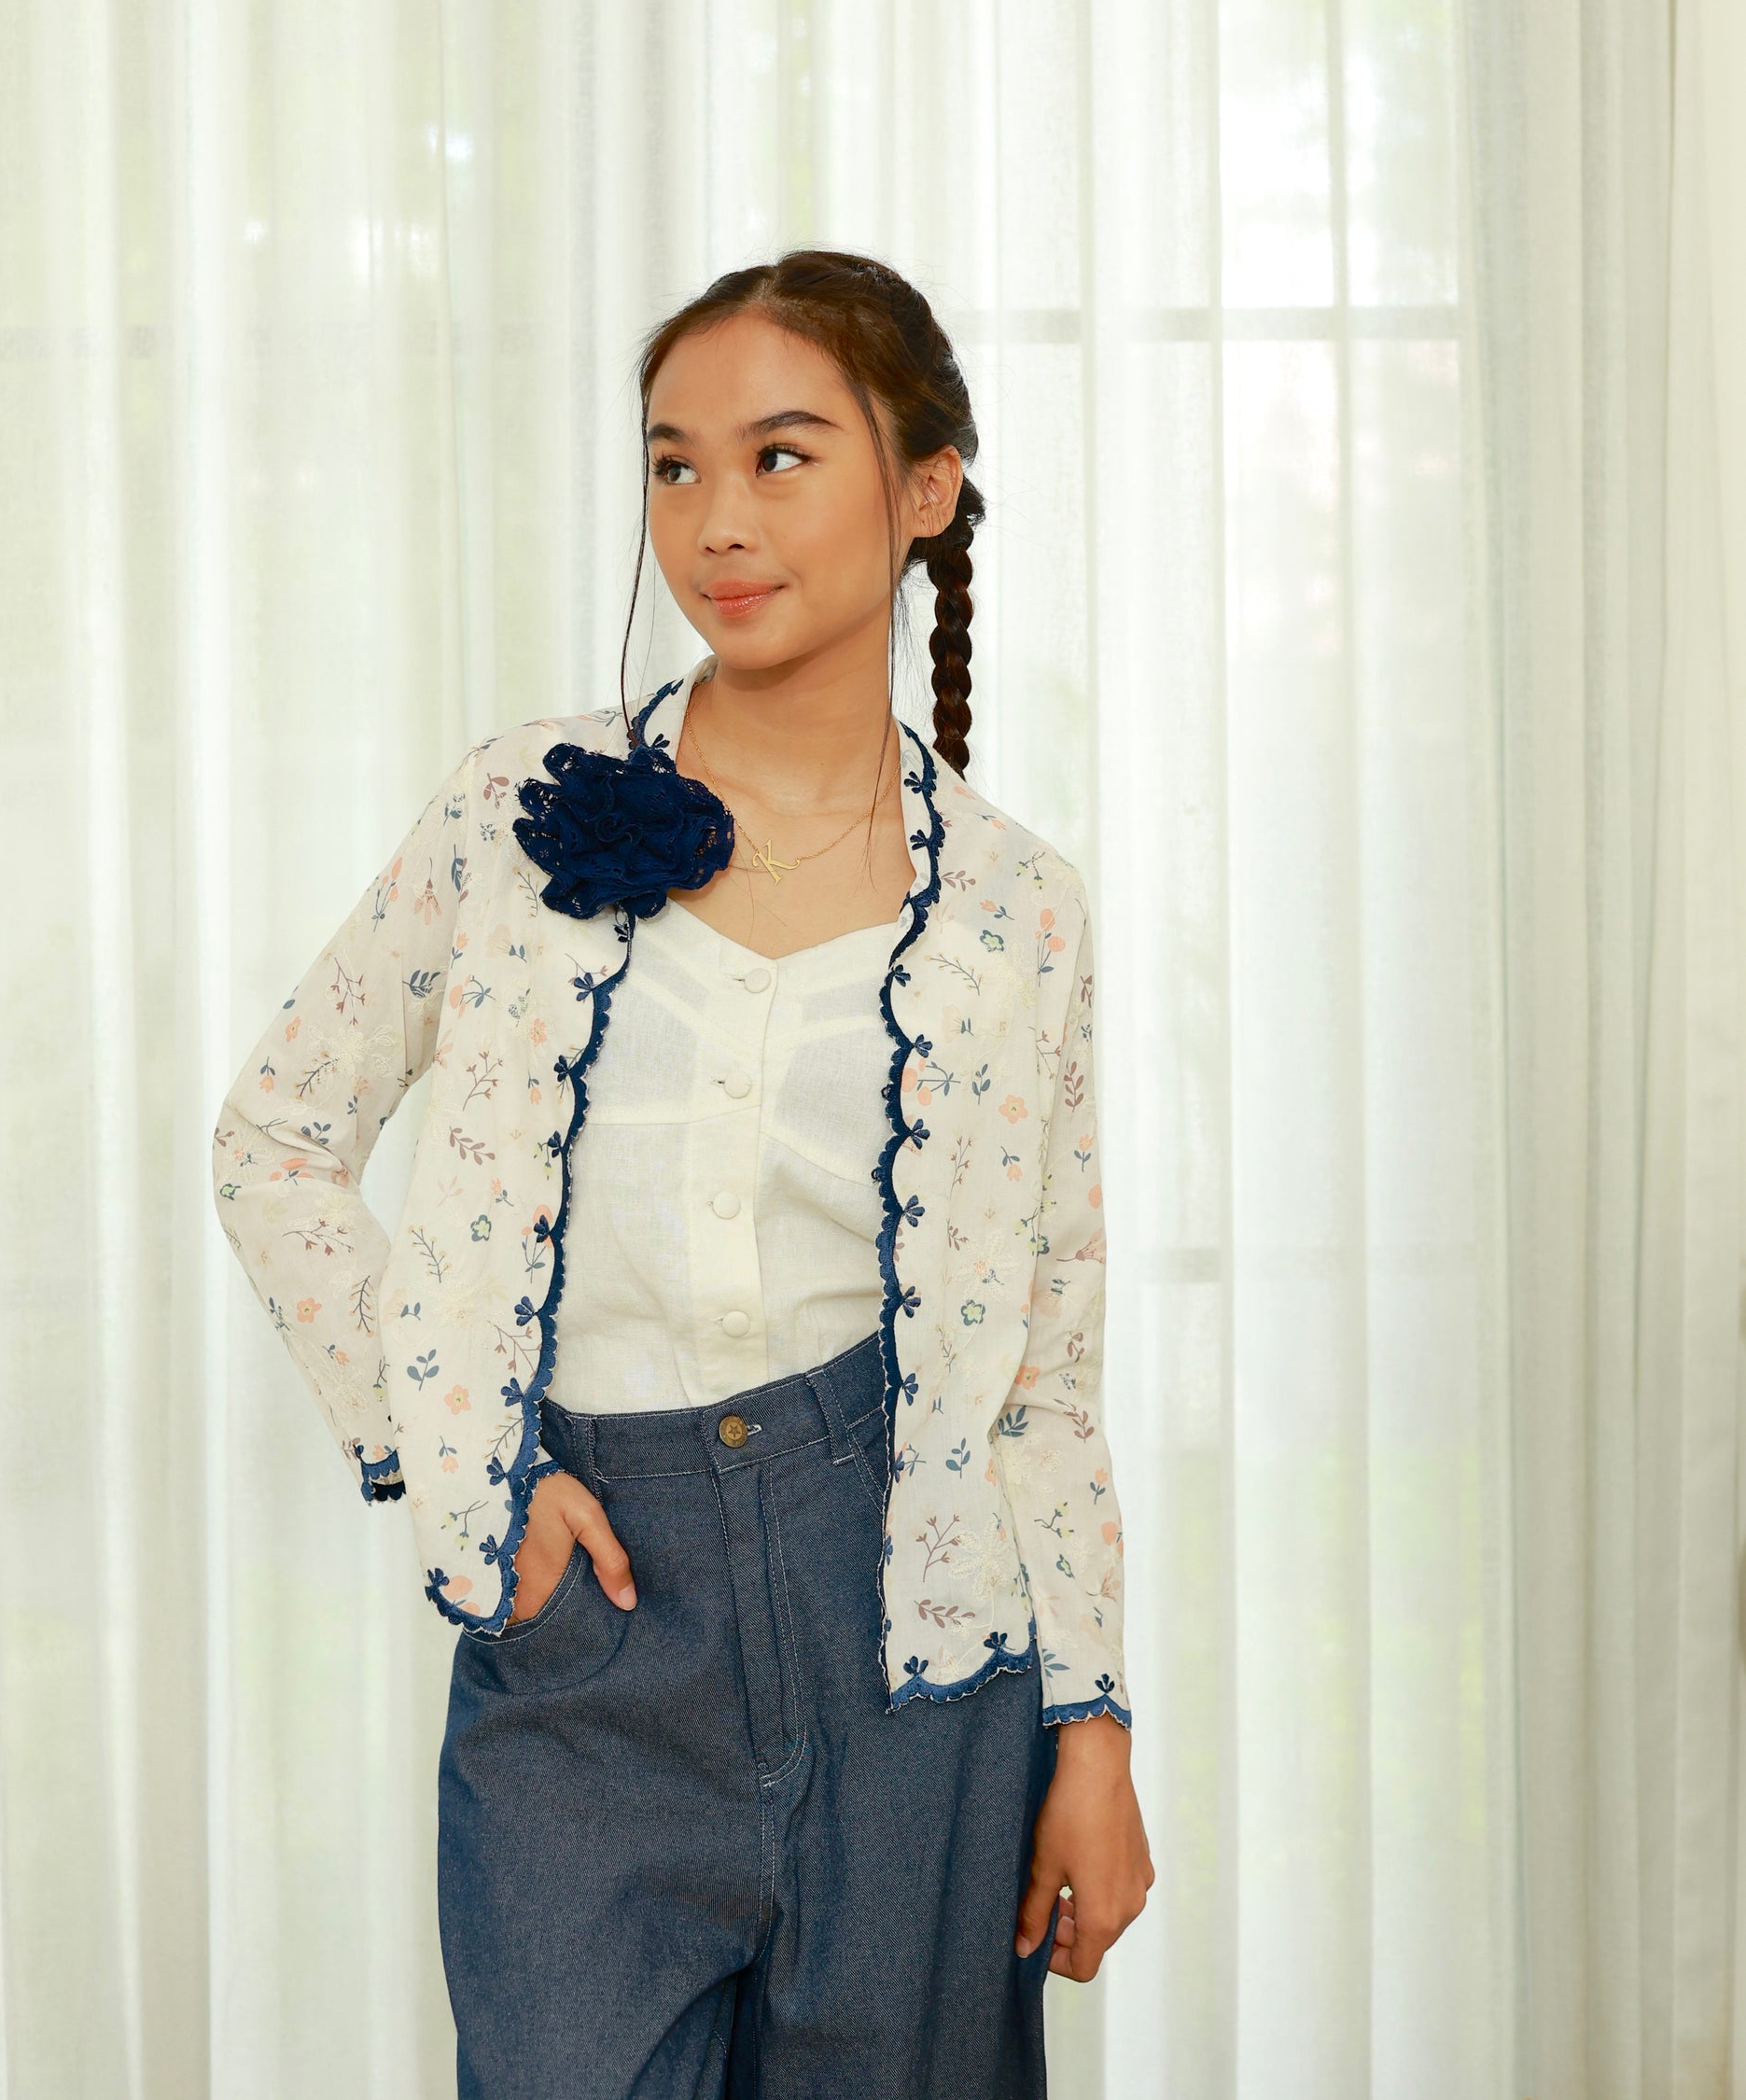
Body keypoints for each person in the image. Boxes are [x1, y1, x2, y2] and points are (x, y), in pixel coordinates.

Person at [213, 249, 1154, 2098]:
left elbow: (1041, 1359)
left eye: (781, 457)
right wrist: (469, 1465)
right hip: (597, 1628)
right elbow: (277, 1134)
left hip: (918, 1641)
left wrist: (1093, 1728)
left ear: (927, 486)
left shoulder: (1016, 907)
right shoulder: (519, 811)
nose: (716, 519)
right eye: (672, 464)